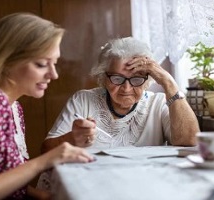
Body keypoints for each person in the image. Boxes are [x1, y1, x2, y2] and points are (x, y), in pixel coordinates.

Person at [0, 13, 96, 199]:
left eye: (54, 64)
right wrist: (44, 161)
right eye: (41, 64)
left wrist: (40, 196)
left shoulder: (13, 107)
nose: (54, 75)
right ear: (6, 61)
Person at [41, 37, 199, 152]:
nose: (126, 88)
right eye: (117, 78)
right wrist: (72, 138)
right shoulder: (83, 100)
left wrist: (168, 82)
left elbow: (189, 141)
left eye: (136, 79)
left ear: (146, 80)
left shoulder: (157, 104)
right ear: (104, 77)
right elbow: (46, 149)